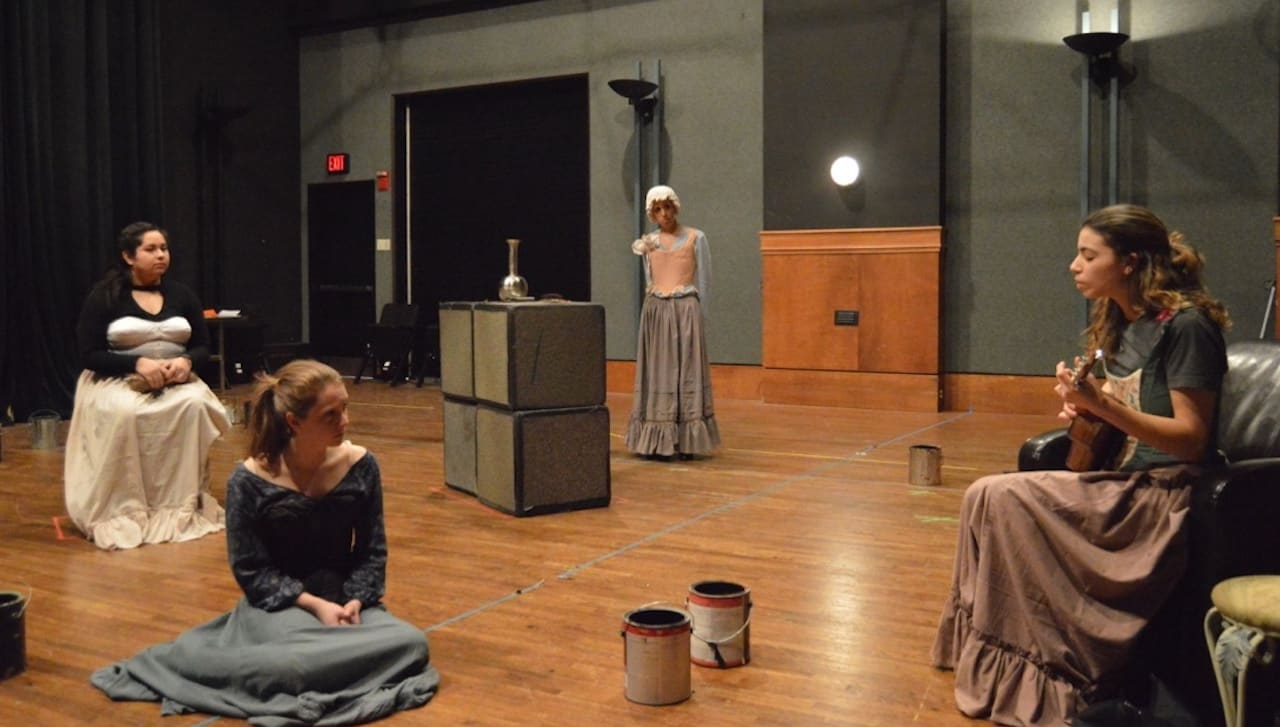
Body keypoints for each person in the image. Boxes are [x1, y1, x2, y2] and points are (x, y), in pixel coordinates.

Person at [931, 204, 1231, 725]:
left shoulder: (1186, 328)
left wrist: (1104, 406)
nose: (1074, 265)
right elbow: (1116, 420)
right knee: (983, 492)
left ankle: (1056, 669)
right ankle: (1000, 656)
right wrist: (1083, 410)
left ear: (1131, 263)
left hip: (1163, 495)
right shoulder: (1121, 322)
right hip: (1120, 479)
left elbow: (1191, 440)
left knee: (1004, 495)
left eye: (1089, 255)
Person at [91, 359, 439, 724]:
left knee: (412, 644)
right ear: (294, 422)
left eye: (345, 409)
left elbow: (372, 551)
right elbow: (251, 571)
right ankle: (321, 667)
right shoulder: (248, 480)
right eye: (330, 415)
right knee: (292, 664)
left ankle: (331, 665)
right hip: (279, 605)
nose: (345, 422)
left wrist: (352, 601)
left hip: (343, 599)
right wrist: (316, 607)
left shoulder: (362, 466)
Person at [64, 221, 230, 550]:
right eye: (151, 249)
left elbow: (202, 345)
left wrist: (186, 363)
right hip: (118, 379)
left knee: (195, 405)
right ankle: (127, 504)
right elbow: (89, 354)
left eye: (164, 249)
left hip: (176, 380)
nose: (160, 256)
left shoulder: (182, 294)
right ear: (128, 256)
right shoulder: (105, 296)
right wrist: (135, 363)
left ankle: (178, 502)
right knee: (125, 412)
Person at [624, 184, 721, 459]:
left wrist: (701, 317)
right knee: (659, 370)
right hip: (657, 311)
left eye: (667, 207)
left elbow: (705, 281)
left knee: (685, 369)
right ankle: (656, 438)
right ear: (651, 214)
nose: (664, 214)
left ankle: (686, 439)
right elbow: (650, 279)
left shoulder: (695, 237)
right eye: (657, 209)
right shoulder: (648, 243)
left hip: (685, 310)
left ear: (675, 207)